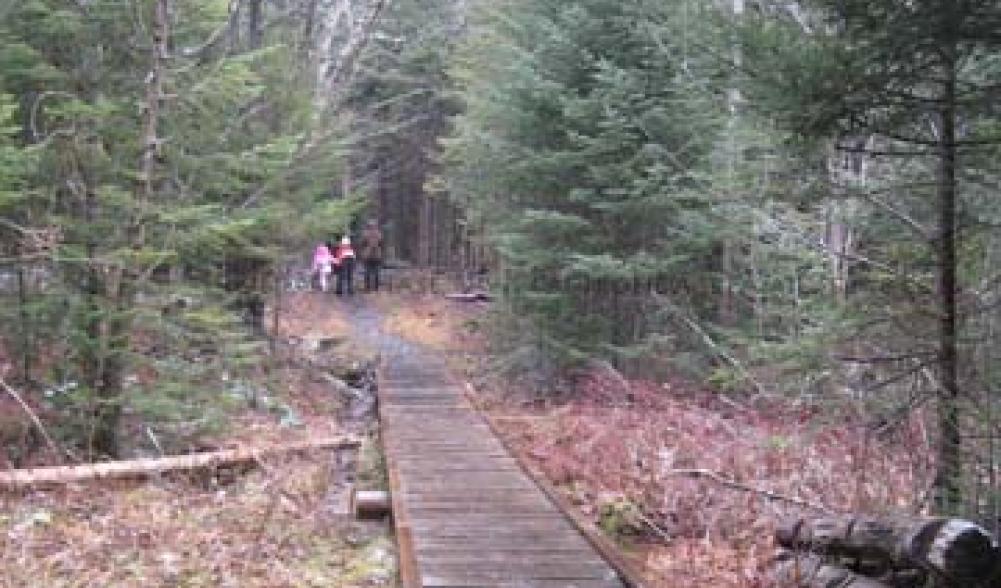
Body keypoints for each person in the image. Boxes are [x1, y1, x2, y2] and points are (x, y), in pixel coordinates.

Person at [359, 220, 384, 292]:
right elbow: (382, 244)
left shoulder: (365, 234)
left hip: (368, 255)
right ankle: (375, 288)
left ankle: (367, 288)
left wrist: (362, 253)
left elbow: (362, 244)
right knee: (376, 272)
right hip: (376, 255)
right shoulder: (379, 234)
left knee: (367, 272)